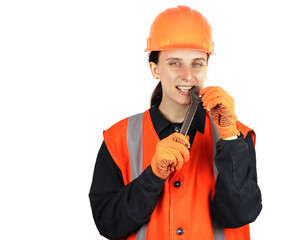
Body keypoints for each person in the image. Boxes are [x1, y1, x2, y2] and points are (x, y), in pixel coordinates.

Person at [89, 5, 262, 240]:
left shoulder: (236, 135)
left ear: (206, 67)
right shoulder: (119, 138)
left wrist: (230, 139)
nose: (188, 75)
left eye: (197, 63)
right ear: (154, 69)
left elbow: (240, 214)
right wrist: (153, 176)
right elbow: (108, 224)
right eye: (175, 63)